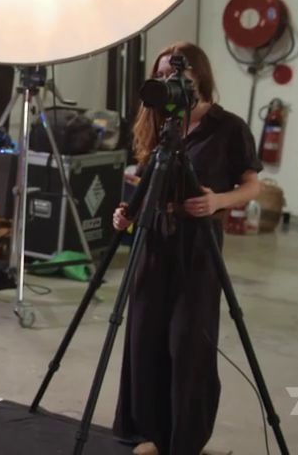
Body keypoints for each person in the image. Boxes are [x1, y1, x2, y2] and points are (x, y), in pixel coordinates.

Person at [110, 42, 263, 455]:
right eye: (161, 75)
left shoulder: (228, 127)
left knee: (188, 344)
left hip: (198, 248)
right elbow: (147, 179)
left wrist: (218, 201)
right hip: (155, 241)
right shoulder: (162, 125)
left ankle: (185, 442)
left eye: (178, 75)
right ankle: (154, 435)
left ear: (199, 77)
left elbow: (253, 186)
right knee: (145, 338)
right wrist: (127, 212)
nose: (169, 82)